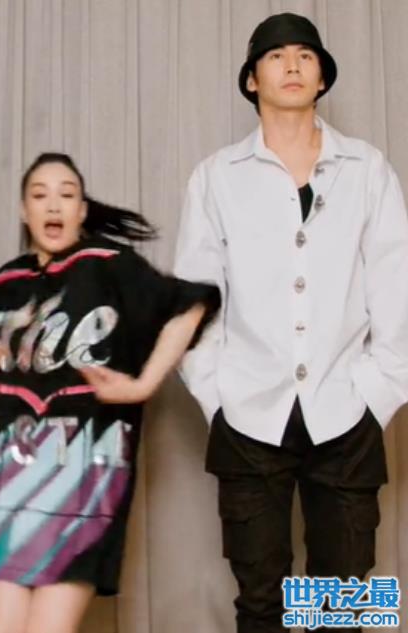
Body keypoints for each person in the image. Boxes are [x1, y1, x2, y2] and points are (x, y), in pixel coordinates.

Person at [174, 13, 408, 633]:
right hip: (247, 413)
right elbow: (195, 300)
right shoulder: (216, 177)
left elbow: (397, 288)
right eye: (276, 56)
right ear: (252, 79)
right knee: (261, 604)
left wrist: (378, 393)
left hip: (346, 410)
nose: (293, 65)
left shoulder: (367, 169)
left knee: (341, 606)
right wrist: (217, 395)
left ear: (322, 76)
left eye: (306, 54)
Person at [0, 152, 220, 633]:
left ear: (82, 209)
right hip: (5, 478)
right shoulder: (5, 283)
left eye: (66, 195)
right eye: (40, 195)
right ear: (23, 210)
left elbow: (192, 305)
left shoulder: (109, 265)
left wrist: (143, 385)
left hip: (83, 478)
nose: (54, 205)